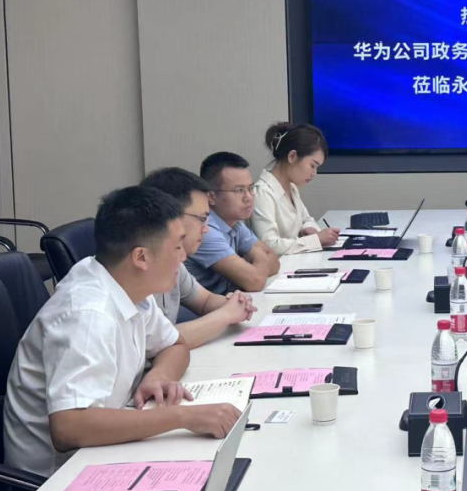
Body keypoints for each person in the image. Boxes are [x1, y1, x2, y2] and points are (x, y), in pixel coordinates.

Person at [3, 187, 243, 478]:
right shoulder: (88, 314)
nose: (183, 258)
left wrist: (159, 376)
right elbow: (69, 428)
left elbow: (175, 345)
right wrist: (181, 416)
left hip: (110, 444)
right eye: (177, 247)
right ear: (141, 257)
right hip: (59, 478)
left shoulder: (127, 285)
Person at [142, 167, 257, 347]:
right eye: (202, 219)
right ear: (169, 217)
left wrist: (236, 303)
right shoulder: (138, 268)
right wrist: (225, 315)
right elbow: (159, 341)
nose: (206, 229)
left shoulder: (175, 261)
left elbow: (205, 300)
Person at [187, 152, 280, 294]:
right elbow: (255, 281)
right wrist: (258, 255)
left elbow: (274, 261)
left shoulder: (234, 223)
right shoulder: (204, 229)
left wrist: (252, 265)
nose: (248, 197)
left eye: (250, 188)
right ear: (211, 196)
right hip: (200, 306)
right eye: (239, 190)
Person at [250, 122, 340, 255]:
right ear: (292, 156)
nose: (314, 173)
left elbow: (307, 219)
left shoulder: (291, 187)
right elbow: (270, 245)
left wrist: (309, 228)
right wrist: (316, 240)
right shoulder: (262, 193)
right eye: (312, 165)